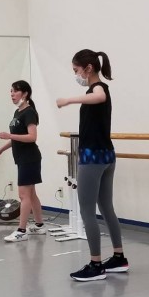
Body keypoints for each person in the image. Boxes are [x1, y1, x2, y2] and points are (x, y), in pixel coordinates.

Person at [57, 49, 127, 281]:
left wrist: (69, 100)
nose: (75, 75)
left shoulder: (98, 88)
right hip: (107, 155)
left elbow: (100, 96)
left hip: (93, 157)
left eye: (76, 70)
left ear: (88, 68)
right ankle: (118, 257)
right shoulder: (94, 90)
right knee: (106, 207)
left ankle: (96, 264)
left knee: (87, 210)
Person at [0, 80, 45, 241]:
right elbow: (17, 138)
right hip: (23, 159)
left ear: (25, 93)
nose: (12, 94)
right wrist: (1, 149)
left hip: (30, 158)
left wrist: (9, 135)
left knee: (23, 195)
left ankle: (21, 231)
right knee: (31, 194)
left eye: (15, 91)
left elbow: (32, 137)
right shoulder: (18, 112)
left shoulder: (29, 112)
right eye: (11, 91)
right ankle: (39, 226)